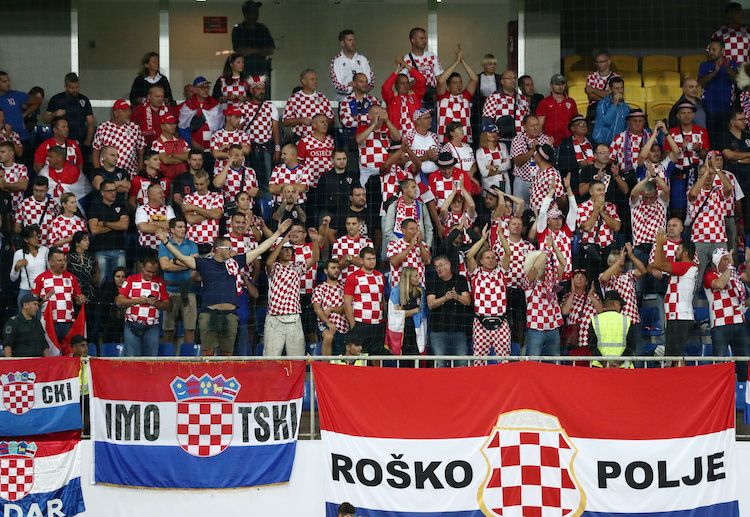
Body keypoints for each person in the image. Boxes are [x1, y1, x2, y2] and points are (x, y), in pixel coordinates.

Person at [158, 219, 291, 356]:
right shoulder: (204, 263)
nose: (231, 251)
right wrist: (166, 242)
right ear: (218, 249)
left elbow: (260, 249)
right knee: (208, 354)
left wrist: (278, 233)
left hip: (230, 315)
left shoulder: (236, 262)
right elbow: (181, 257)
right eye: (228, 248)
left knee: (227, 354)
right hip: (209, 314)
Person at [264, 226, 320, 356]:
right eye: (285, 249)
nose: (288, 252)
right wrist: (282, 242)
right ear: (278, 252)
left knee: (297, 357)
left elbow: (314, 259)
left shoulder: (297, 268)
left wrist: (315, 241)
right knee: (271, 356)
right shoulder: (274, 268)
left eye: (290, 249)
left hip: (294, 317)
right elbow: (268, 263)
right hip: (275, 317)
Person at [650, 229, 697, 367]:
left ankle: (681, 378)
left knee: (676, 355)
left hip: (680, 317)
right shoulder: (683, 267)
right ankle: (678, 377)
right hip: (676, 317)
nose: (676, 251)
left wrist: (659, 244)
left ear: (686, 253)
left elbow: (658, 264)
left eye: (679, 249)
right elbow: (662, 263)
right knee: (674, 355)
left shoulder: (686, 266)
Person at [466, 224, 511, 364]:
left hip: (501, 321)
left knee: (504, 361)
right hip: (481, 321)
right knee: (479, 360)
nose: (491, 260)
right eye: (487, 257)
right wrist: (483, 239)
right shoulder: (476, 273)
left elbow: (508, 253)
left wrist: (500, 235)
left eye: (493, 257)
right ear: (481, 260)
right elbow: (469, 255)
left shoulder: (501, 272)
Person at [704, 247, 748, 381]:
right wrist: (730, 266)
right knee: (720, 362)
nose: (728, 261)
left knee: (744, 362)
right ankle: (720, 389)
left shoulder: (734, 274)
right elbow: (719, 284)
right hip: (720, 325)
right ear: (716, 262)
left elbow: (748, 277)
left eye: (729, 259)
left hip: (739, 322)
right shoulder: (710, 275)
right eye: (725, 259)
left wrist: (748, 261)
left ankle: (743, 389)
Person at [688, 155, 733, 282]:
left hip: (719, 240)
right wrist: (706, 172)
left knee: (720, 275)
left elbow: (729, 188)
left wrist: (717, 170)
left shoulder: (718, 191)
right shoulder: (694, 191)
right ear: (699, 176)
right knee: (696, 278)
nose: (708, 177)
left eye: (710, 174)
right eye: (704, 174)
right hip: (699, 241)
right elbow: (692, 195)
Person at [116, 258, 170, 357]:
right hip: (132, 325)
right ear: (142, 268)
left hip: (152, 327)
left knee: (151, 360)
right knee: (132, 360)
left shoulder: (160, 283)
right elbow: (119, 301)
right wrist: (138, 301)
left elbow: (167, 305)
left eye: (154, 272)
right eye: (148, 271)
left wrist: (155, 303)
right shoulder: (131, 280)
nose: (151, 274)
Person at [522, 236, 566, 356]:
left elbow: (563, 263)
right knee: (533, 362)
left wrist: (553, 247)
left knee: (555, 362)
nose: (547, 265)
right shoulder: (528, 282)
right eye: (545, 262)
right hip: (536, 328)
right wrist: (546, 249)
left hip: (553, 327)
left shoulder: (552, 280)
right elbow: (535, 267)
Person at [31, 248, 85, 345]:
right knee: (50, 352)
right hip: (49, 323)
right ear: (51, 262)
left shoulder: (71, 278)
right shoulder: (41, 278)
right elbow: (33, 303)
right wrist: (45, 298)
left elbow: (78, 298)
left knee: (67, 351)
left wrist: (81, 299)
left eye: (64, 260)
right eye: (59, 260)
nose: (63, 263)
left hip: (68, 322)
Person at [158, 217, 199, 346]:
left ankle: (188, 355)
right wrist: (186, 264)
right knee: (168, 328)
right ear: (172, 230)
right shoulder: (164, 245)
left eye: (184, 227)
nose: (183, 229)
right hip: (170, 291)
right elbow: (165, 266)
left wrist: (174, 262)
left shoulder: (192, 245)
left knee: (190, 328)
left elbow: (195, 265)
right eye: (180, 227)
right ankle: (167, 355)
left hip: (189, 289)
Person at [427, 255, 472, 366]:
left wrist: (457, 297)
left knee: (462, 362)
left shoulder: (460, 279)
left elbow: (467, 301)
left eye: (441, 265)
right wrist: (445, 298)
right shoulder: (433, 281)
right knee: (440, 363)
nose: (438, 269)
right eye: (436, 266)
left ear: (448, 265)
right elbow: (431, 304)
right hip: (438, 331)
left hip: (458, 330)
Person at [344, 247, 386, 357]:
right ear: (361, 260)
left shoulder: (380, 276)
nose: (372, 261)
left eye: (374, 258)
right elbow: (347, 303)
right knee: (355, 354)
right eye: (368, 259)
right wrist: (353, 326)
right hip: (360, 323)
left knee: (376, 357)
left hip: (378, 323)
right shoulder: (353, 277)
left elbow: (382, 300)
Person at [242, 74, 281, 193]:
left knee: (268, 179)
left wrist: (277, 148)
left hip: (266, 147)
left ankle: (267, 201)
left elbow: (275, 129)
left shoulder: (270, 106)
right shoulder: (243, 107)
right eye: (258, 89)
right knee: (251, 178)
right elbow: (240, 129)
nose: (262, 91)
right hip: (250, 149)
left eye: (263, 88)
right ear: (251, 90)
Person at [88, 180, 129, 287]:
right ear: (102, 192)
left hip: (119, 249)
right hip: (101, 250)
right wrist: (116, 225)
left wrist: (104, 223)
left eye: (114, 190)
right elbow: (94, 230)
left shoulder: (122, 205)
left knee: (121, 283)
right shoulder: (95, 206)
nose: (113, 193)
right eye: (110, 191)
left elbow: (124, 225)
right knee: (100, 281)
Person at [577, 180, 622, 276]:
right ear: (591, 192)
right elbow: (587, 227)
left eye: (603, 190)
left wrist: (602, 212)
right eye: (599, 190)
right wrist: (596, 210)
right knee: (592, 279)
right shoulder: (582, 207)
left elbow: (616, 227)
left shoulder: (610, 206)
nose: (602, 192)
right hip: (591, 251)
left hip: (609, 251)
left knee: (609, 279)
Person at [435, 45, 478, 144]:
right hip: (445, 140)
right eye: (455, 83)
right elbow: (441, 81)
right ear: (448, 85)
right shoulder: (443, 96)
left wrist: (462, 61)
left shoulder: (466, 96)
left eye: (460, 82)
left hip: (464, 140)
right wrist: (456, 62)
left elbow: (474, 79)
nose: (458, 85)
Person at [92, 99, 146, 178]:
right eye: (125, 111)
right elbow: (96, 151)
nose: (128, 113)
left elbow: (141, 151)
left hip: (131, 174)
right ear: (116, 113)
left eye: (129, 110)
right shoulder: (103, 128)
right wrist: (99, 173)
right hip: (108, 175)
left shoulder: (135, 128)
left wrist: (139, 172)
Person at [699, 39, 738, 145]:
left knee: (726, 138)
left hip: (727, 108)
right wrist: (715, 71)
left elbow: (738, 81)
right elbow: (701, 82)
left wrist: (727, 68)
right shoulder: (705, 65)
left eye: (714, 49)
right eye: (709, 49)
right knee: (711, 138)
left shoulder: (732, 64)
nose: (711, 52)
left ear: (722, 51)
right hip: (709, 108)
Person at [44, 73, 94, 151]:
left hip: (80, 140)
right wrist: (55, 114)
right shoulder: (56, 99)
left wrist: (88, 141)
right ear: (65, 87)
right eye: (72, 88)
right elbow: (46, 119)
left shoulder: (84, 100)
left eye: (77, 87)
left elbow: (90, 122)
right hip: (60, 141)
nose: (75, 90)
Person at [509, 115, 553, 205]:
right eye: (532, 126)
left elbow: (550, 161)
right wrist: (532, 150)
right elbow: (518, 162)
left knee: (539, 209)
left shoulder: (546, 139)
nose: (536, 128)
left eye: (537, 125)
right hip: (522, 180)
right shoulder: (518, 140)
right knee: (519, 209)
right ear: (525, 127)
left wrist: (548, 147)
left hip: (541, 181)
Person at [179, 76, 223, 163]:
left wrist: (216, 145)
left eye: (207, 87)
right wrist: (192, 143)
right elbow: (182, 128)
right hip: (194, 148)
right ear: (195, 89)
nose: (206, 90)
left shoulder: (215, 104)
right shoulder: (188, 105)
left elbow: (220, 127)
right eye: (202, 87)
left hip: (213, 147)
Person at [282, 69, 334, 141]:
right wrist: (300, 120)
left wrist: (321, 121)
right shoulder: (294, 98)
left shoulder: (322, 97)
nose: (315, 82)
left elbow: (332, 119)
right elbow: (285, 121)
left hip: (320, 140)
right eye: (312, 79)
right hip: (300, 139)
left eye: (316, 79)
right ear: (303, 81)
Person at [587, 291, 636, 368]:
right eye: (620, 305)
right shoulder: (627, 320)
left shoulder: (595, 320)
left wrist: (605, 363)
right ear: (614, 304)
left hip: (600, 367)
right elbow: (631, 346)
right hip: (623, 367)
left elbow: (592, 346)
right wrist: (618, 363)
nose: (621, 308)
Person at [383, 178, 434, 251]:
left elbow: (429, 228)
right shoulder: (393, 207)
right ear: (405, 189)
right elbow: (388, 231)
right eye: (413, 187)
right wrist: (401, 244)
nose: (416, 190)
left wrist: (427, 246)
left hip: (419, 248)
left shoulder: (421, 206)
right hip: (399, 248)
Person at [312, 259, 349, 355]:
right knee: (328, 337)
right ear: (326, 271)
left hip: (343, 324)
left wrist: (331, 309)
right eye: (333, 268)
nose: (336, 270)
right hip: (324, 324)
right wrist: (328, 323)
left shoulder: (344, 287)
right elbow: (317, 309)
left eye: (338, 268)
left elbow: (345, 307)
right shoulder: (320, 288)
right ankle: (325, 364)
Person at [560, 270, 601, 357]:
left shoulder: (593, 296)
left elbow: (601, 311)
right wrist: (572, 293)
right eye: (576, 277)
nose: (579, 279)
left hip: (590, 340)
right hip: (574, 341)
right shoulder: (567, 296)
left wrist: (591, 295)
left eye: (582, 277)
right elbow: (564, 311)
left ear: (586, 282)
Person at [182, 170, 224, 254]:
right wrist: (210, 213)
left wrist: (194, 208)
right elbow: (191, 220)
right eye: (196, 184)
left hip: (212, 241)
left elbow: (216, 215)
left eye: (201, 184)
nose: (199, 187)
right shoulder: (188, 198)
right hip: (192, 242)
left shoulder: (216, 196)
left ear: (208, 182)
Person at [382, 59, 426, 135]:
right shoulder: (391, 98)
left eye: (407, 83)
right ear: (396, 85)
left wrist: (405, 65)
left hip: (415, 135)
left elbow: (422, 80)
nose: (405, 86)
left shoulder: (415, 95)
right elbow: (386, 87)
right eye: (402, 83)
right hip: (397, 136)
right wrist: (397, 70)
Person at [402, 26, 443, 110]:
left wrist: (438, 95)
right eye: (421, 38)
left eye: (425, 38)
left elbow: (440, 79)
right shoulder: (406, 59)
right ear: (413, 40)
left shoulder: (432, 56)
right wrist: (411, 84)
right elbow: (401, 83)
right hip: (415, 99)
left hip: (431, 99)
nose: (424, 41)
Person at [231, 0, 275, 76]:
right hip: (245, 70)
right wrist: (260, 51)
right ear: (245, 13)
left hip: (261, 69)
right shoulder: (238, 29)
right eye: (253, 11)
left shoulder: (262, 28)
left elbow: (270, 50)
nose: (256, 14)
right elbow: (239, 51)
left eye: (256, 11)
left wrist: (250, 51)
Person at [10, 225, 48, 311]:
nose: (36, 238)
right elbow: (13, 278)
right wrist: (17, 267)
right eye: (33, 236)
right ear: (26, 239)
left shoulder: (45, 250)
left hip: (42, 291)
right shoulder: (19, 253)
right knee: (25, 318)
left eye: (37, 235)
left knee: (42, 317)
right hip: (26, 290)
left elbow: (50, 271)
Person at [481, 69, 529, 137]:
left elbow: (528, 121)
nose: (513, 80)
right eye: (509, 78)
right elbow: (487, 121)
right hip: (502, 140)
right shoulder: (493, 98)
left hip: (521, 140)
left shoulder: (523, 99)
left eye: (514, 78)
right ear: (502, 81)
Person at [330, 29, 374, 101]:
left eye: (354, 40)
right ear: (342, 43)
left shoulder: (363, 59)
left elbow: (371, 81)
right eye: (350, 40)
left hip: (362, 99)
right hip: (344, 100)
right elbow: (336, 84)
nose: (353, 43)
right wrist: (351, 88)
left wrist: (359, 87)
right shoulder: (336, 61)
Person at [535, 74, 578, 146]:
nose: (560, 86)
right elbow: (540, 125)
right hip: (550, 143)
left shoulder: (571, 102)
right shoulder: (544, 103)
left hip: (568, 143)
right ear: (551, 85)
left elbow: (575, 123)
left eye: (562, 84)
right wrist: (542, 143)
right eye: (557, 84)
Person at [556, 115, 593, 194]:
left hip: (591, 180)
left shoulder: (591, 141)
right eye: (580, 124)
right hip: (574, 182)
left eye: (585, 124)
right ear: (572, 128)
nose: (583, 126)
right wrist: (578, 164)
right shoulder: (566, 143)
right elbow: (562, 165)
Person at [135, 183, 175, 255]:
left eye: (163, 192)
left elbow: (172, 225)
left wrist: (152, 223)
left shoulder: (168, 208)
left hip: (167, 250)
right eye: (160, 193)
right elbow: (143, 227)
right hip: (147, 250)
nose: (163, 195)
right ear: (151, 195)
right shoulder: (142, 209)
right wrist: (162, 227)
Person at [14, 176, 56, 245]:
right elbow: (17, 227)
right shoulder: (24, 204)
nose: (38, 194)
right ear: (32, 188)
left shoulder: (54, 204)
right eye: (36, 190)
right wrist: (28, 236)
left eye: (41, 191)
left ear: (47, 190)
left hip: (48, 246)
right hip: (30, 246)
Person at [210, 106, 251, 175]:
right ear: (228, 117)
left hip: (239, 173)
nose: (239, 120)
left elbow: (247, 150)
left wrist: (228, 147)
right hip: (220, 172)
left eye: (240, 117)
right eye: (236, 117)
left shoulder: (243, 134)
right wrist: (238, 149)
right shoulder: (217, 134)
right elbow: (216, 154)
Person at [592, 77, 629, 146]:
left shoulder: (625, 107)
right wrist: (614, 105)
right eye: (616, 88)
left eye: (621, 88)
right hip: (602, 143)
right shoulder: (602, 104)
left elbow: (626, 127)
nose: (620, 91)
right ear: (610, 89)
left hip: (617, 144)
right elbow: (606, 122)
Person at [475, 123, 511, 194]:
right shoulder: (480, 152)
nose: (493, 134)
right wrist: (501, 168)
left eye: (495, 132)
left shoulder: (503, 146)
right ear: (484, 134)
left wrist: (493, 167)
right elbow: (484, 173)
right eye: (490, 132)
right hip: (489, 185)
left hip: (504, 182)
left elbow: (508, 165)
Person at [151, 113, 188, 180]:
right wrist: (183, 159)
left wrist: (172, 155)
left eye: (174, 123)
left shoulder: (182, 141)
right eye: (169, 123)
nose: (173, 126)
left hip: (183, 179)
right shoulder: (157, 143)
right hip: (165, 180)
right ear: (162, 126)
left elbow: (189, 156)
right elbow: (165, 160)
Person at [585, 51, 619, 120]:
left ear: (609, 62)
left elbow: (614, 95)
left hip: (611, 109)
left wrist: (593, 89)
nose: (599, 64)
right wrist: (608, 96)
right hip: (595, 109)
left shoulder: (616, 77)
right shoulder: (591, 77)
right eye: (597, 62)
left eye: (601, 62)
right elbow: (591, 96)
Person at [0, 140, 29, 213]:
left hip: (17, 210)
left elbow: (23, 186)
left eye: (2, 152)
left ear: (12, 153)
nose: (0, 154)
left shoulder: (21, 168)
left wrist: (4, 185)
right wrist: (14, 187)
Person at [0, 71, 29, 142]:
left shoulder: (15, 95)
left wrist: (25, 114)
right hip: (5, 138)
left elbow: (36, 100)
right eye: (4, 81)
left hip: (22, 136)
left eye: (8, 81)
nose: (8, 83)